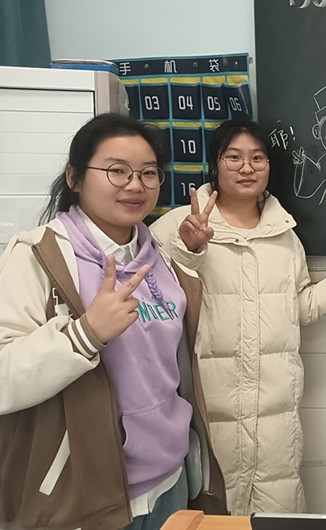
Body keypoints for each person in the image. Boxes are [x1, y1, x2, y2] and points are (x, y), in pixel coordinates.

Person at [0, 114, 226, 530]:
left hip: (170, 481)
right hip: (85, 494)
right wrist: (84, 335)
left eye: (148, 173)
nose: (135, 185)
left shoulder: (158, 257)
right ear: (74, 177)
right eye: (117, 170)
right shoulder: (36, 256)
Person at [150, 119, 326, 515]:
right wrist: (188, 249)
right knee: (210, 509)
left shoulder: (284, 235)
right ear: (214, 164)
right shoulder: (178, 226)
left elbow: (298, 308)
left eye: (257, 158)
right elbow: (154, 306)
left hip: (275, 409)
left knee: (276, 512)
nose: (247, 168)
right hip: (208, 405)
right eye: (233, 157)